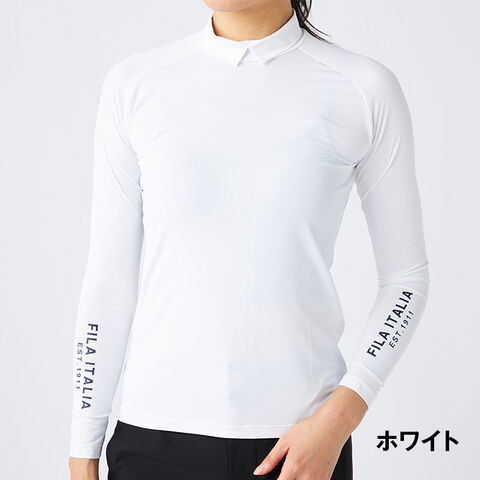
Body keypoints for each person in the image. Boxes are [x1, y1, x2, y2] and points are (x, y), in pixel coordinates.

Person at [68, 1, 430, 479]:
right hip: (154, 442)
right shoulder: (135, 84)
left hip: (300, 449)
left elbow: (406, 280)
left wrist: (339, 419)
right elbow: (109, 284)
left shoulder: (363, 88)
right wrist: (82, 449)